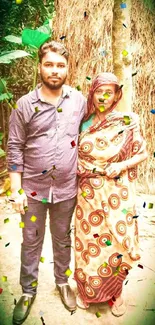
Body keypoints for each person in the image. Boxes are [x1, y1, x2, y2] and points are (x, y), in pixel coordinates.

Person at [7, 41, 87, 325]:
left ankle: (62, 283)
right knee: (31, 241)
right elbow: (15, 148)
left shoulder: (78, 101)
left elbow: (89, 130)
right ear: (39, 67)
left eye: (60, 65)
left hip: (67, 189)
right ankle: (28, 292)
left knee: (63, 239)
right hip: (32, 190)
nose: (55, 71)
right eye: (49, 64)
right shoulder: (25, 105)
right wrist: (16, 191)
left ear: (68, 69)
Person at [74, 72, 148, 316]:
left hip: (117, 194)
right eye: (99, 91)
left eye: (109, 92)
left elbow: (142, 154)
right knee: (88, 243)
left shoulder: (127, 121)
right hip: (87, 195)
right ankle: (87, 291)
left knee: (116, 242)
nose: (103, 97)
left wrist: (122, 165)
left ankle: (116, 293)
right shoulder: (82, 122)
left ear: (117, 94)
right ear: (92, 93)